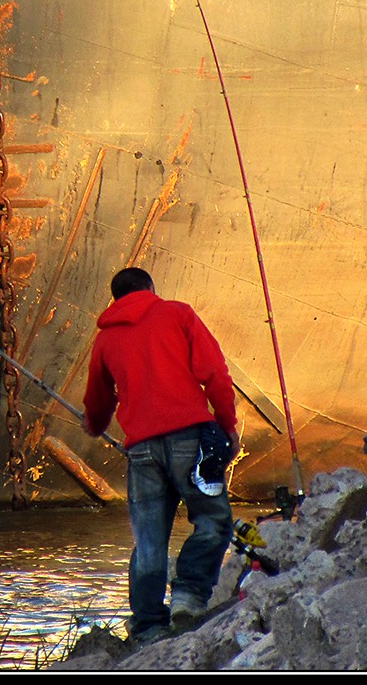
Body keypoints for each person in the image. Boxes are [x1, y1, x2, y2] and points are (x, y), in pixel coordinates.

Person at [82, 267, 240, 644]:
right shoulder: (178, 313)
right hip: (191, 441)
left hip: (141, 451)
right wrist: (227, 424)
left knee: (149, 541)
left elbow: (98, 402)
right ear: (151, 288)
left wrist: (93, 423)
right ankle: (187, 596)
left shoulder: (105, 340)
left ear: (115, 299)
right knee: (214, 522)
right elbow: (214, 372)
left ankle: (149, 625)